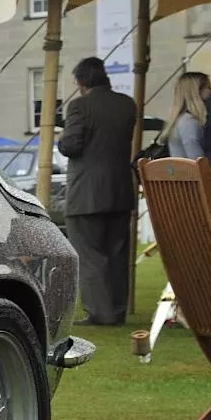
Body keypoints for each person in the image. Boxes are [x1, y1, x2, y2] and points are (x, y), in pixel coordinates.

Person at [56, 56, 137, 326]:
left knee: (89, 254)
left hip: (87, 192)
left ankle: (99, 312)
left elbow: (71, 146)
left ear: (80, 82)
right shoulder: (127, 104)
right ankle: (116, 310)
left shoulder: (79, 106)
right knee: (117, 253)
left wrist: (60, 137)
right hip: (120, 189)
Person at [167, 71, 211, 162]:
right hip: (191, 174)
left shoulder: (181, 120)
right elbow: (197, 161)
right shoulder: (189, 122)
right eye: (208, 87)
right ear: (196, 91)